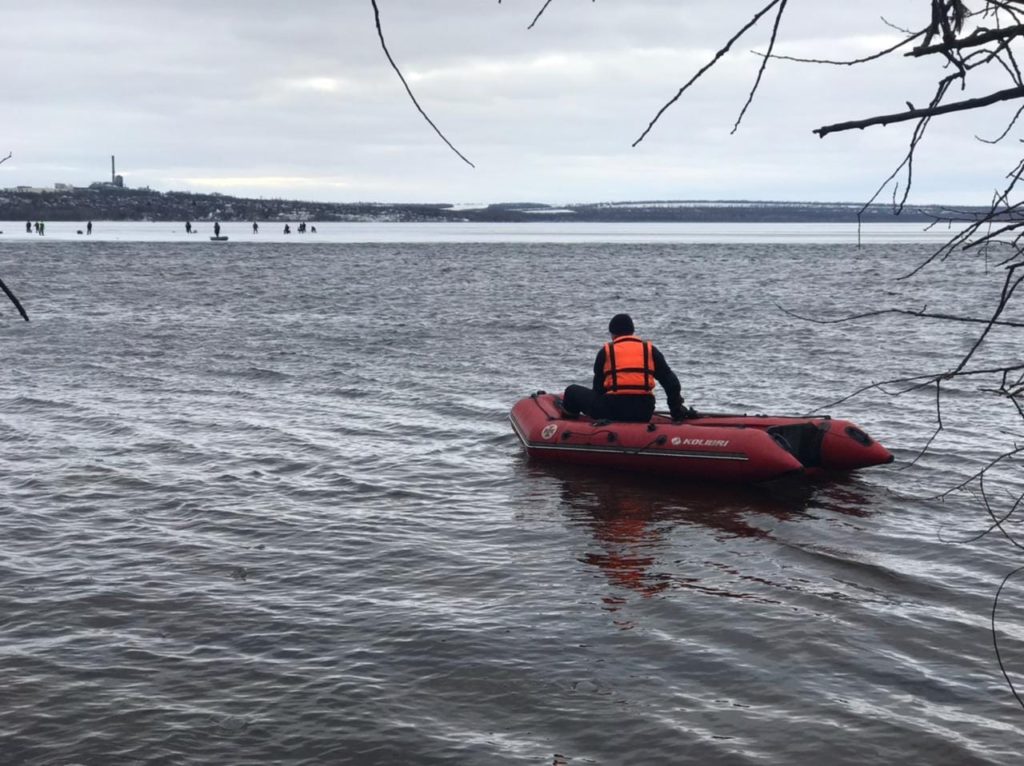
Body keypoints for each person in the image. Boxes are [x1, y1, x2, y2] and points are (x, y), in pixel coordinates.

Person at [560, 313, 691, 422]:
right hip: (644, 412)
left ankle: (566, 424)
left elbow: (598, 390)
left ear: (612, 334)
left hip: (613, 410)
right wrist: (675, 410)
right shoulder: (650, 350)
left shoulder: (606, 352)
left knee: (571, 391)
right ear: (632, 332)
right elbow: (672, 384)